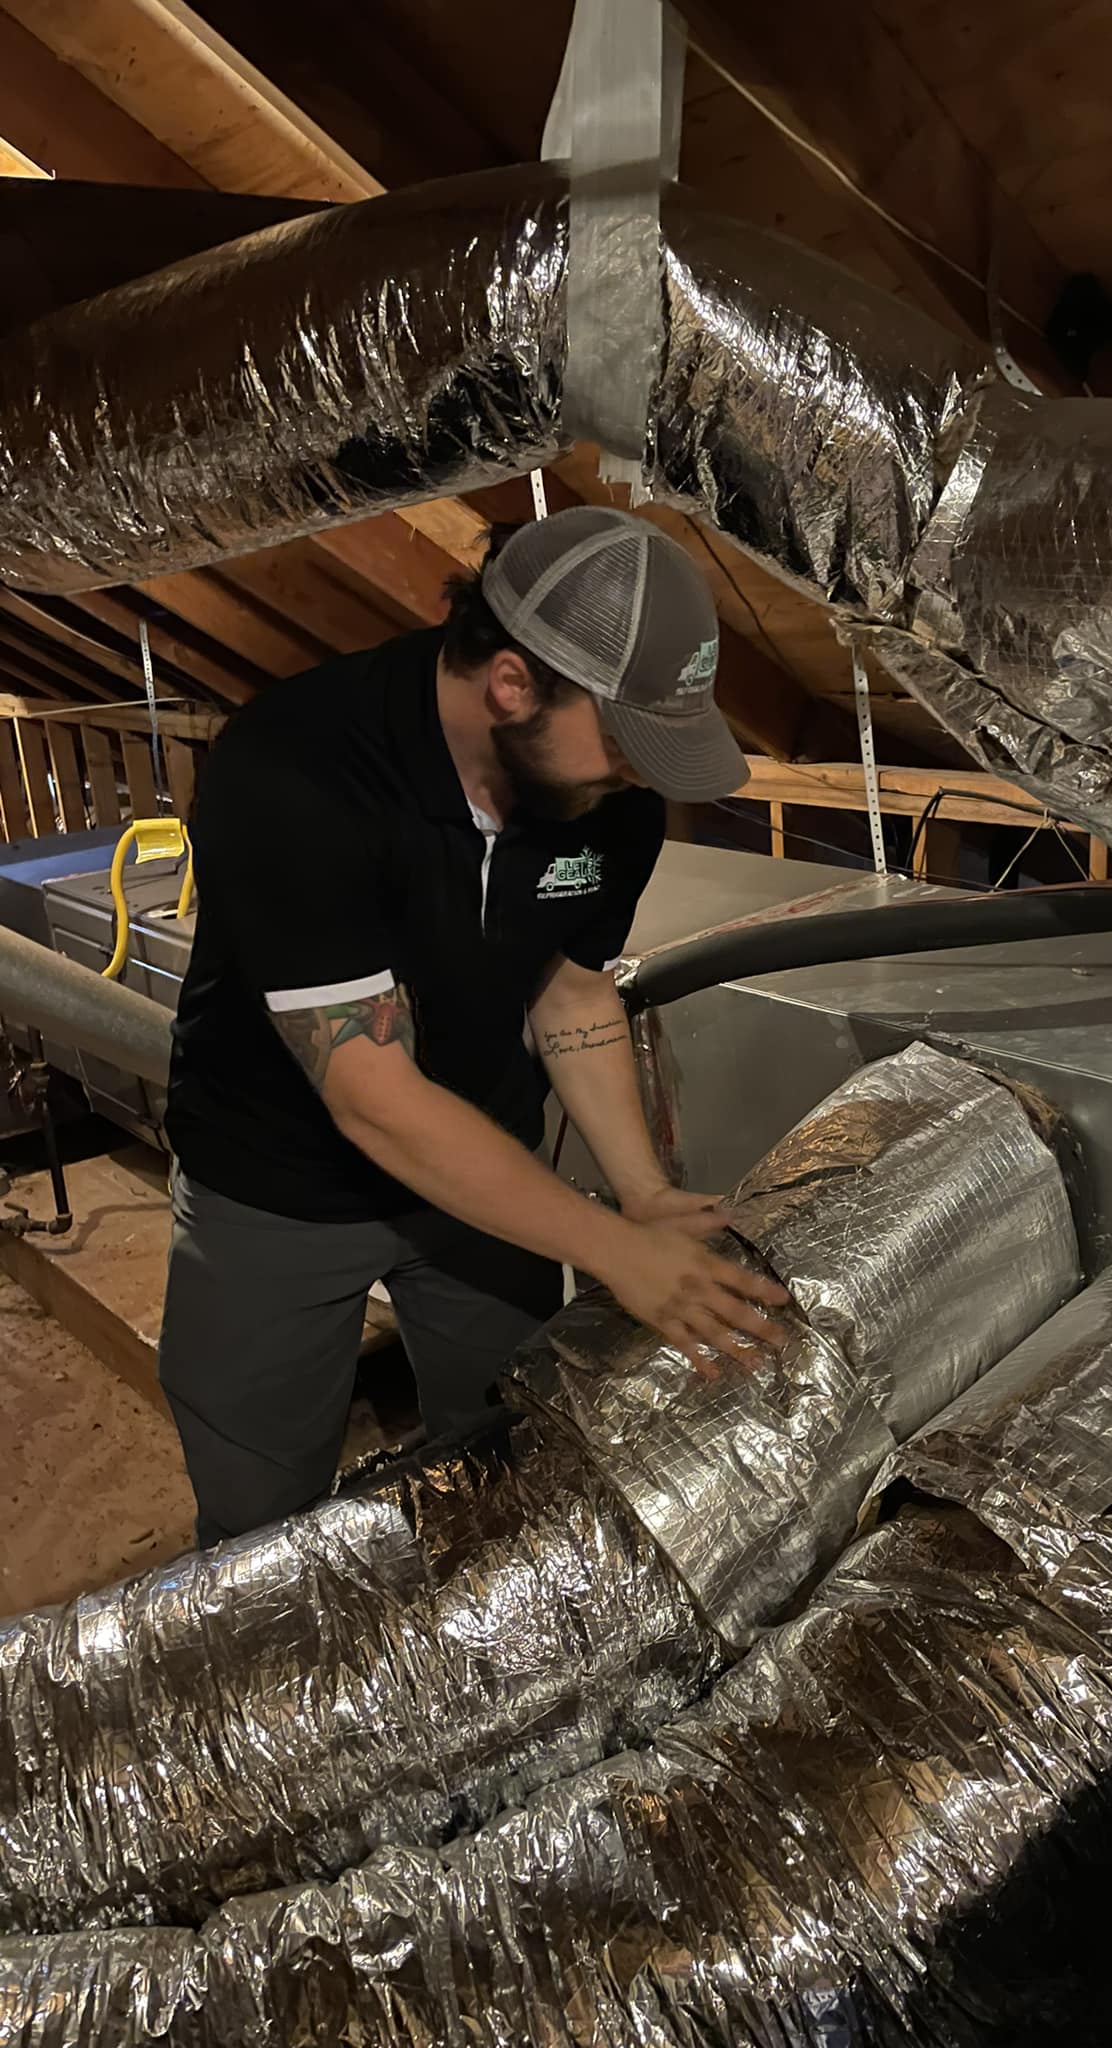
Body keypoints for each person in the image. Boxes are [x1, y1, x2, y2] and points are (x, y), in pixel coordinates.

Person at [160, 505, 788, 1546]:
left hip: (487, 1172)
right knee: (258, 1520)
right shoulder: (296, 771)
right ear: (512, 683)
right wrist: (612, 1249)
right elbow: (374, 1098)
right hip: (276, 1186)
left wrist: (641, 1195)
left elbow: (571, 995)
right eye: (625, 740)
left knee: (509, 1459)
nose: (639, 772)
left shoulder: (608, 801)